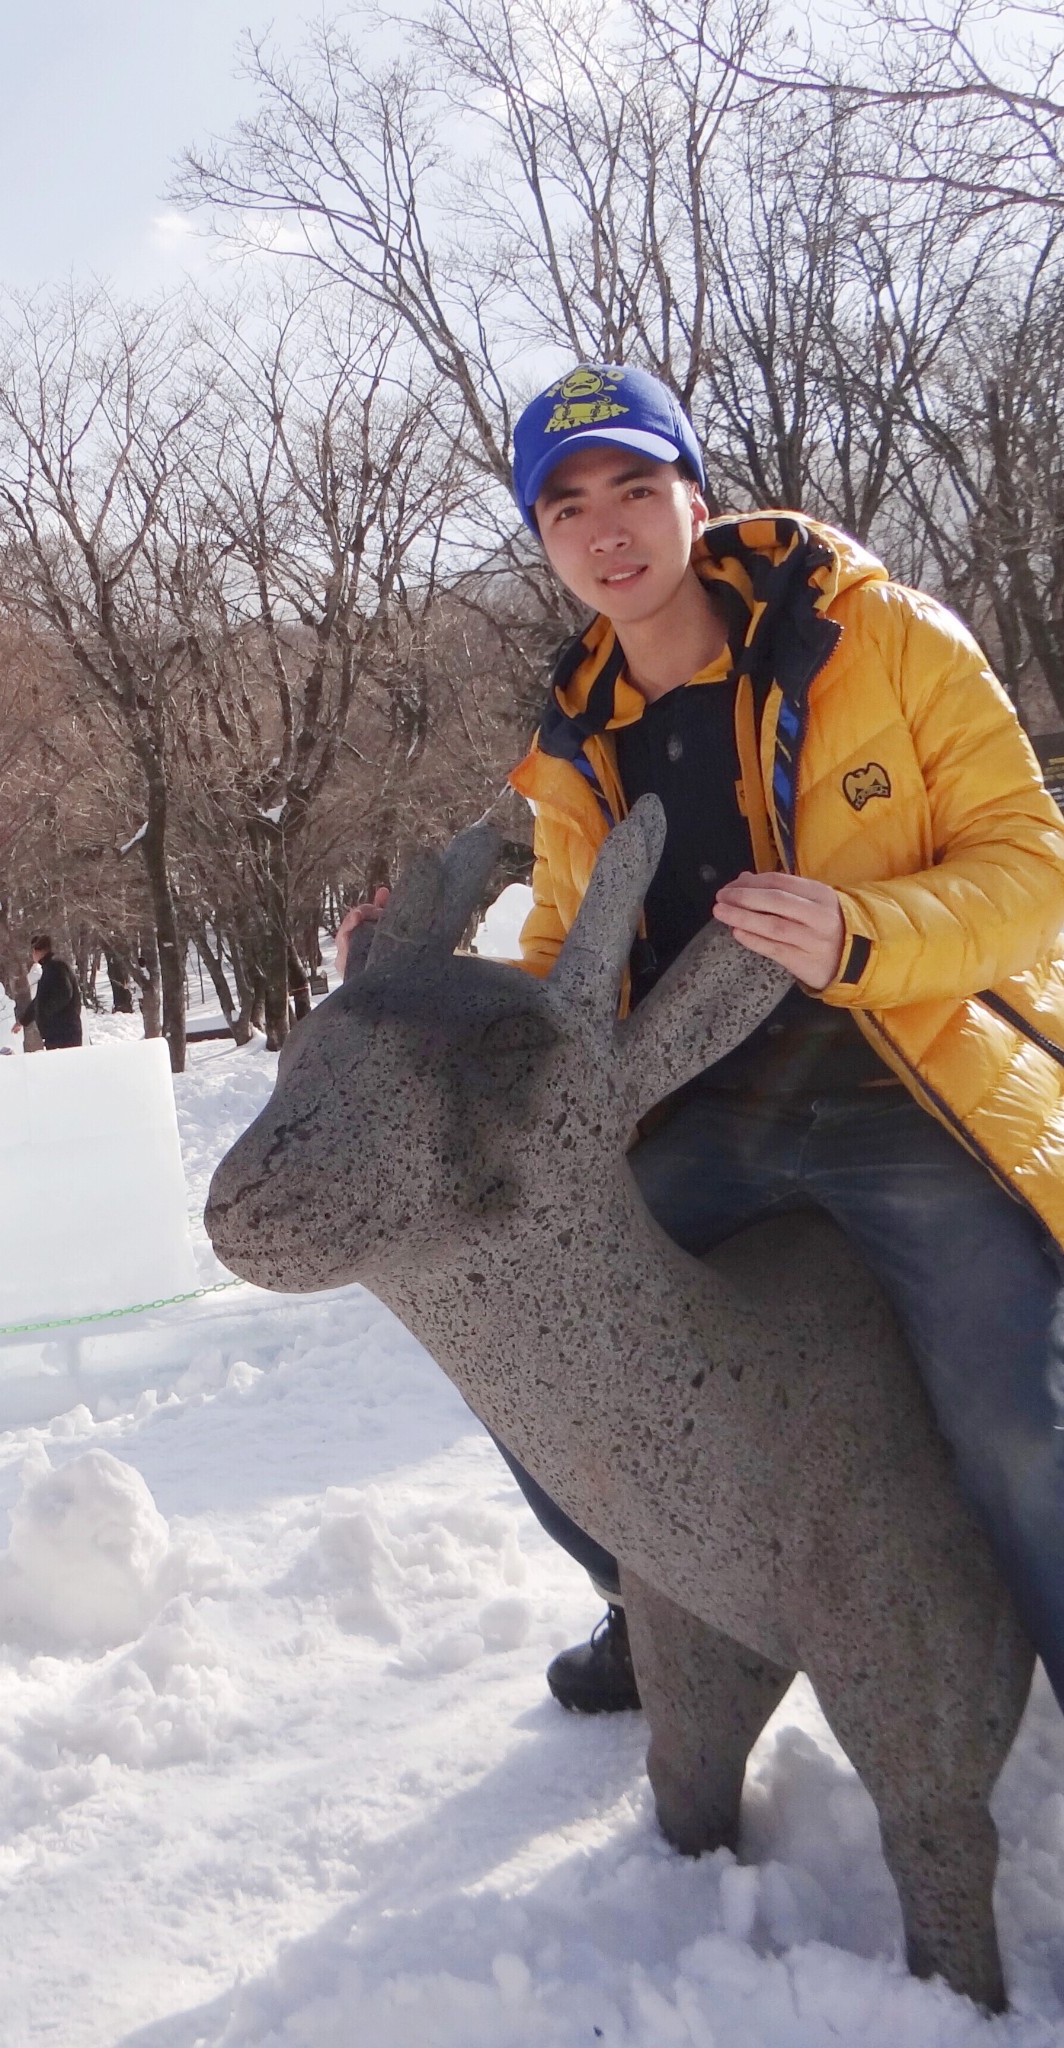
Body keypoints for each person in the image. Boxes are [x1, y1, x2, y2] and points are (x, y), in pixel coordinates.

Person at [339, 361, 1064, 1717]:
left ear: (695, 494)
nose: (607, 530)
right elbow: (564, 964)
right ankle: (661, 1609)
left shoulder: (883, 636)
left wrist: (862, 928)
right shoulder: (574, 745)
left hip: (908, 1086)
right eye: (566, 509)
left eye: (633, 486)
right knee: (540, 1356)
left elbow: (1034, 867)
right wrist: (423, 978)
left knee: (1018, 1418)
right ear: (542, 540)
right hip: (706, 1110)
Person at [15, 932, 84, 1050]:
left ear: (38, 951)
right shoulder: (50, 968)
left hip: (64, 1033)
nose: (32, 955)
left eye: (33, 952)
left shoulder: (56, 967)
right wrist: (23, 1021)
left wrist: (45, 1013)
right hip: (57, 1034)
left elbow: (64, 993)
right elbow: (40, 1000)